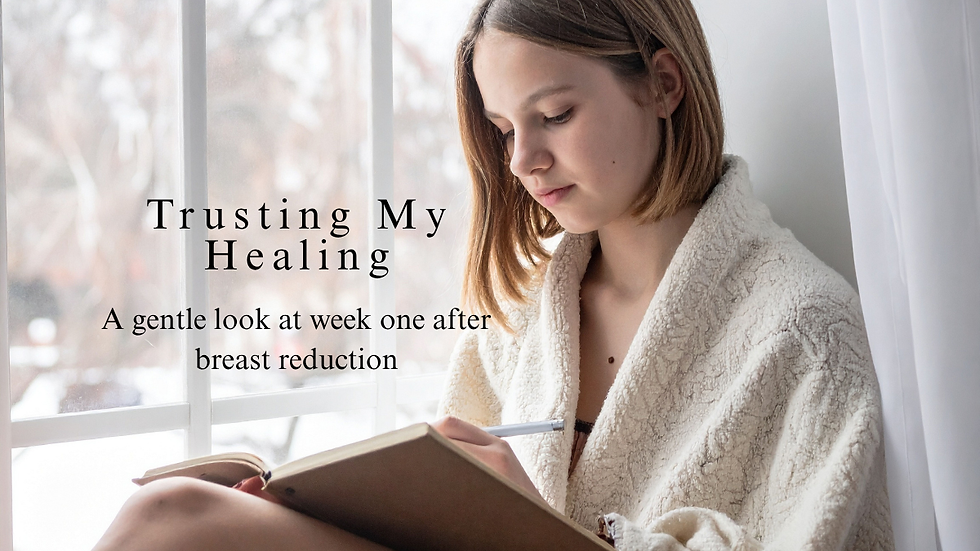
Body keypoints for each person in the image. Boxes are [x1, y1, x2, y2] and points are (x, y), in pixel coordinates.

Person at [94, 0, 894, 549]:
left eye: (554, 115)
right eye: (505, 127)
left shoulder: (807, 328)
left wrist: (540, 526)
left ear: (663, 83)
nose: (521, 159)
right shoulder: (519, 316)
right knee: (172, 514)